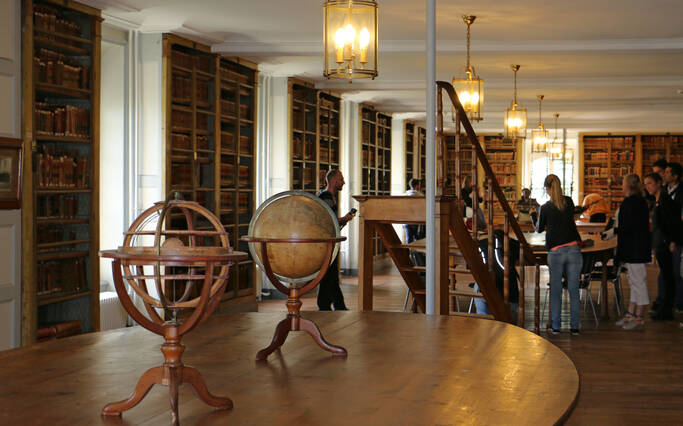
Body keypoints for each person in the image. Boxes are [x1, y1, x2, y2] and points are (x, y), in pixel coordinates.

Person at [537, 174, 583, 335]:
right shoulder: (568, 201)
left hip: (556, 251)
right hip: (573, 249)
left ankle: (556, 327)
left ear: (547, 188)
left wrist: (536, 216)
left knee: (556, 290)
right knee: (573, 289)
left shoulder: (545, 207)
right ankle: (574, 327)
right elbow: (570, 218)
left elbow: (539, 229)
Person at [611, 174, 651, 330]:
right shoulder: (640, 202)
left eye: (623, 183)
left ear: (628, 186)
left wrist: (614, 231)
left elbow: (627, 227)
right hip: (637, 247)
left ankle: (639, 316)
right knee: (635, 281)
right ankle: (631, 314)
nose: (622, 186)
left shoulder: (630, 203)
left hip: (634, 248)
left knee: (639, 282)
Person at [643, 172, 682, 320]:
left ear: (659, 183)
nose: (648, 187)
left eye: (650, 183)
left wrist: (673, 241)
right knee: (666, 276)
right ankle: (663, 308)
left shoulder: (666, 202)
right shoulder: (656, 201)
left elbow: (674, 224)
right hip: (660, 243)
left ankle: (666, 311)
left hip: (666, 244)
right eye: (646, 184)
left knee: (668, 277)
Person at [317, 169, 355, 311]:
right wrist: (344, 219)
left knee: (331, 275)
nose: (343, 182)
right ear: (333, 180)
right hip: (326, 242)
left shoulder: (327, 196)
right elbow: (328, 221)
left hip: (329, 240)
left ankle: (336, 305)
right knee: (329, 274)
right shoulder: (326, 196)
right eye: (341, 179)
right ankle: (328, 305)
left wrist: (343, 220)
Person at [403, 178, 424, 244]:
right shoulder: (419, 195)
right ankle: (417, 254)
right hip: (415, 219)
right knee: (418, 240)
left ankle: (409, 254)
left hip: (406, 219)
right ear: (417, 186)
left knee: (408, 239)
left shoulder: (405, 194)